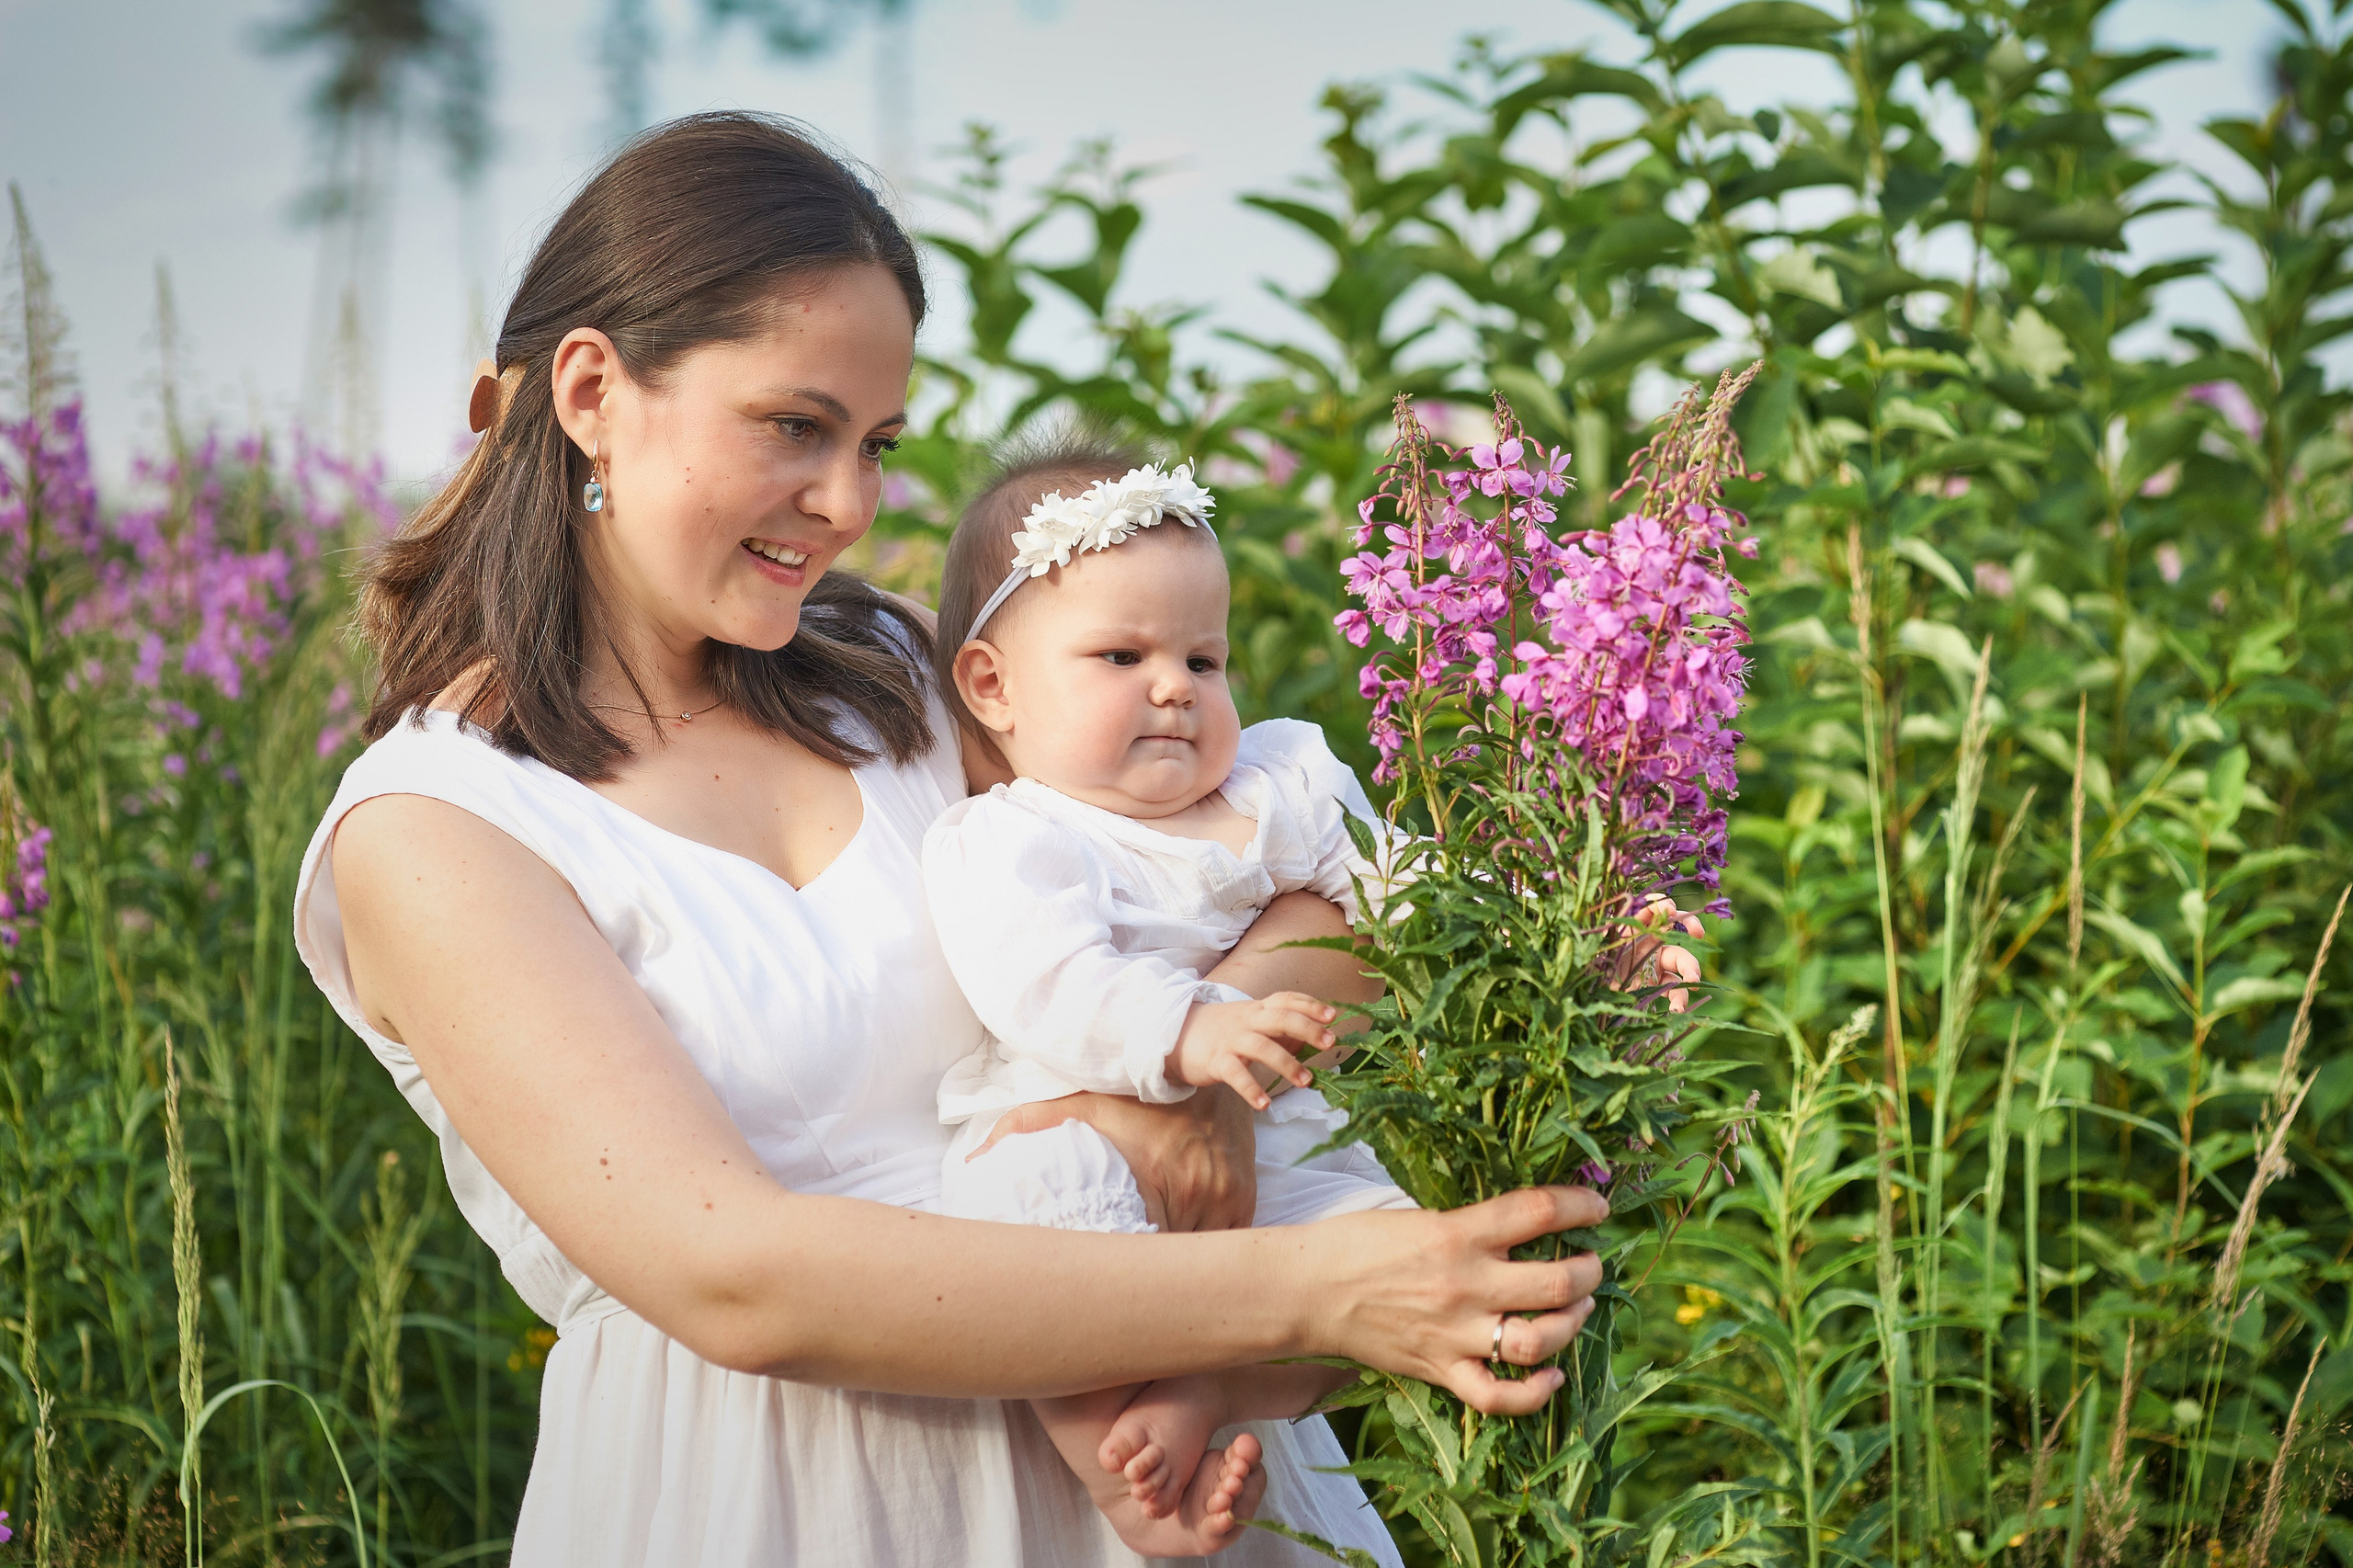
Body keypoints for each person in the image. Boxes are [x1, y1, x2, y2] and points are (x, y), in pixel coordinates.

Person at [294, 111, 1614, 1567]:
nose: (851, 506)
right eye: (797, 427)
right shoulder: (438, 828)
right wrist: (1309, 1287)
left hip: (1167, 1470)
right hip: (775, 1510)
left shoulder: (903, 672)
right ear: (595, 389)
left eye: (877, 444)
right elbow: (739, 1275)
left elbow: (1299, 877)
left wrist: (1185, 1074)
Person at [924, 450, 1417, 1554]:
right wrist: (1185, 1026)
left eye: (1205, 656)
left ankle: (1201, 1382)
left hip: (1280, 1144)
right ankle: (1104, 1441)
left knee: (1387, 1240)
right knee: (1023, 1187)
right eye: (1121, 654)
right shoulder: (1017, 838)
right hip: (1095, 1132)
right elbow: (1042, 976)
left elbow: (1404, 891)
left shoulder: (1276, 784)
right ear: (993, 685)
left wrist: (1579, 935)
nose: (1174, 686)